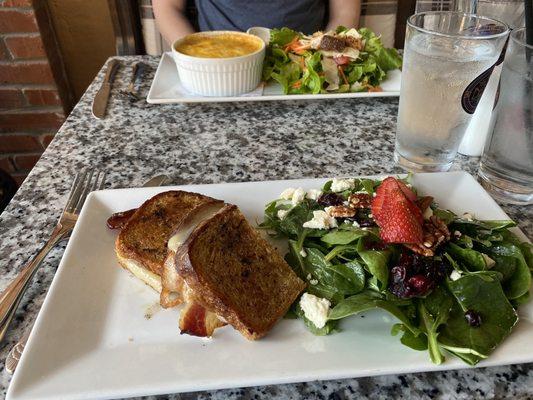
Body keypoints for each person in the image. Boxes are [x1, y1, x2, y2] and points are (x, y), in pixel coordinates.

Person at [153, 0, 361, 45]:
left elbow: (345, 10)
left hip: (303, 63)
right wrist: (196, 57)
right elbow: (167, 8)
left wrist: (322, 53)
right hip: (216, 66)